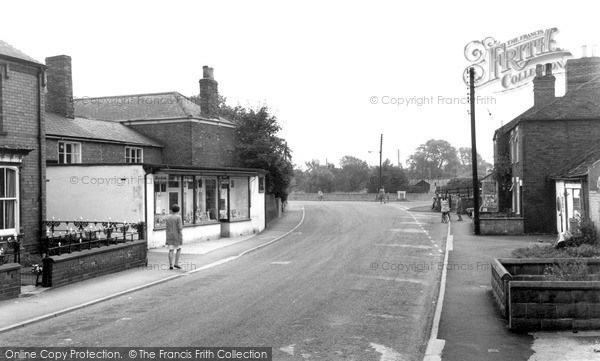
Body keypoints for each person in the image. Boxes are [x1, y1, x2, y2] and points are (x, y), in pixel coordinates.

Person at [165, 204, 183, 270]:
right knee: (178, 249)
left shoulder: (168, 217)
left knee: (171, 250)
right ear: (178, 210)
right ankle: (176, 263)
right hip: (177, 236)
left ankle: (171, 265)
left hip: (169, 235)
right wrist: (181, 236)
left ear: (172, 210)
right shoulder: (178, 217)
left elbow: (166, 226)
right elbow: (180, 227)